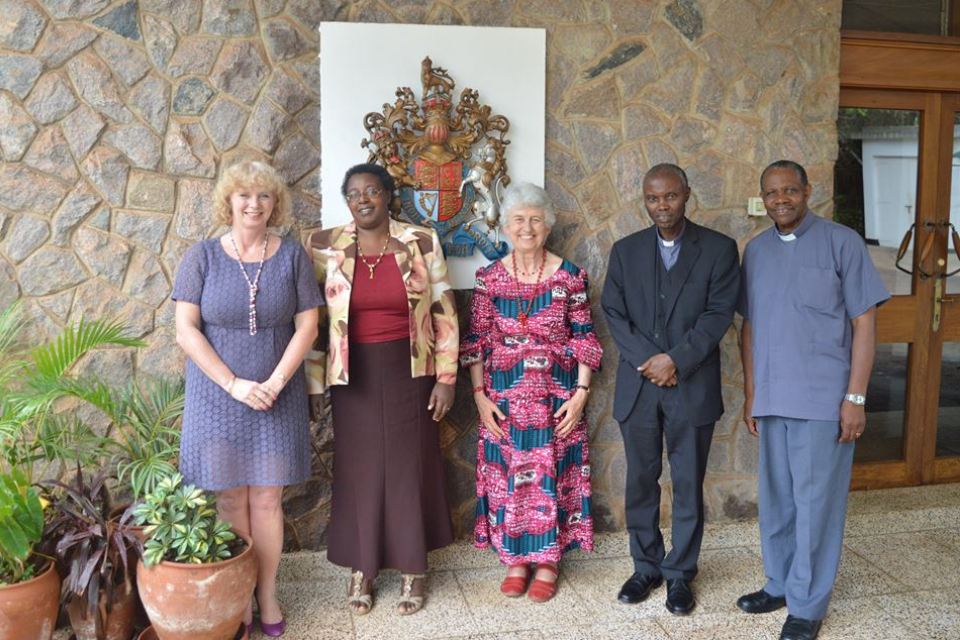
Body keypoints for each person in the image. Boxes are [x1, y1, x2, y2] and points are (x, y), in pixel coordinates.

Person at [737, 160, 890, 640]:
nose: (780, 200)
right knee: (778, 500)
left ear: (807, 191)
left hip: (825, 400)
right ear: (763, 199)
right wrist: (751, 393)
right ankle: (780, 584)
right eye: (771, 193)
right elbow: (751, 325)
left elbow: (864, 324)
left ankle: (807, 605)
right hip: (773, 397)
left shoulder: (842, 243)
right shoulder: (756, 251)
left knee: (817, 503)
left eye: (789, 190)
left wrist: (856, 397)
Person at [172, 160, 322, 638]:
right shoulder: (202, 257)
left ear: (274, 203)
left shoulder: (293, 256)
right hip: (218, 396)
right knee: (231, 499)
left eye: (263, 196)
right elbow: (185, 330)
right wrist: (233, 382)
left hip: (277, 395)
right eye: (244, 196)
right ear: (229, 201)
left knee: (268, 500)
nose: (254, 204)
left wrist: (276, 381)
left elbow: (308, 325)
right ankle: (238, 596)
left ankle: (268, 593)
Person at [306, 163, 458, 616]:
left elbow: (444, 311)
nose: (364, 199)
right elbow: (312, 322)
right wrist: (315, 384)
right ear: (346, 201)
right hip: (352, 374)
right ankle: (363, 566)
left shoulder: (421, 240)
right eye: (354, 194)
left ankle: (413, 567)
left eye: (373, 190)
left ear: (388, 195)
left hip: (411, 368)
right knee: (360, 468)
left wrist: (447, 379)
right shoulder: (322, 245)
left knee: (410, 464)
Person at [600, 163, 740, 615]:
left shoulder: (719, 249)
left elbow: (718, 314)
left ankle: (680, 574)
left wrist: (675, 360)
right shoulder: (625, 251)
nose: (662, 206)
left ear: (687, 194)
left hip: (691, 386)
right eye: (653, 198)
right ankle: (646, 566)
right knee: (641, 481)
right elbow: (615, 313)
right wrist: (651, 362)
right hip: (639, 388)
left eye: (670, 197)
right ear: (645, 200)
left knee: (686, 483)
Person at [461, 182, 603, 603]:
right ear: (505, 226)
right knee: (508, 476)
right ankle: (516, 558)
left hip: (556, 399)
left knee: (552, 476)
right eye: (519, 220)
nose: (527, 227)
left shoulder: (570, 277)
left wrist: (580, 394)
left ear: (548, 226)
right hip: (502, 401)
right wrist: (479, 396)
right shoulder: (488, 278)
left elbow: (585, 339)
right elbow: (476, 341)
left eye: (536, 220)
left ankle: (548, 560)